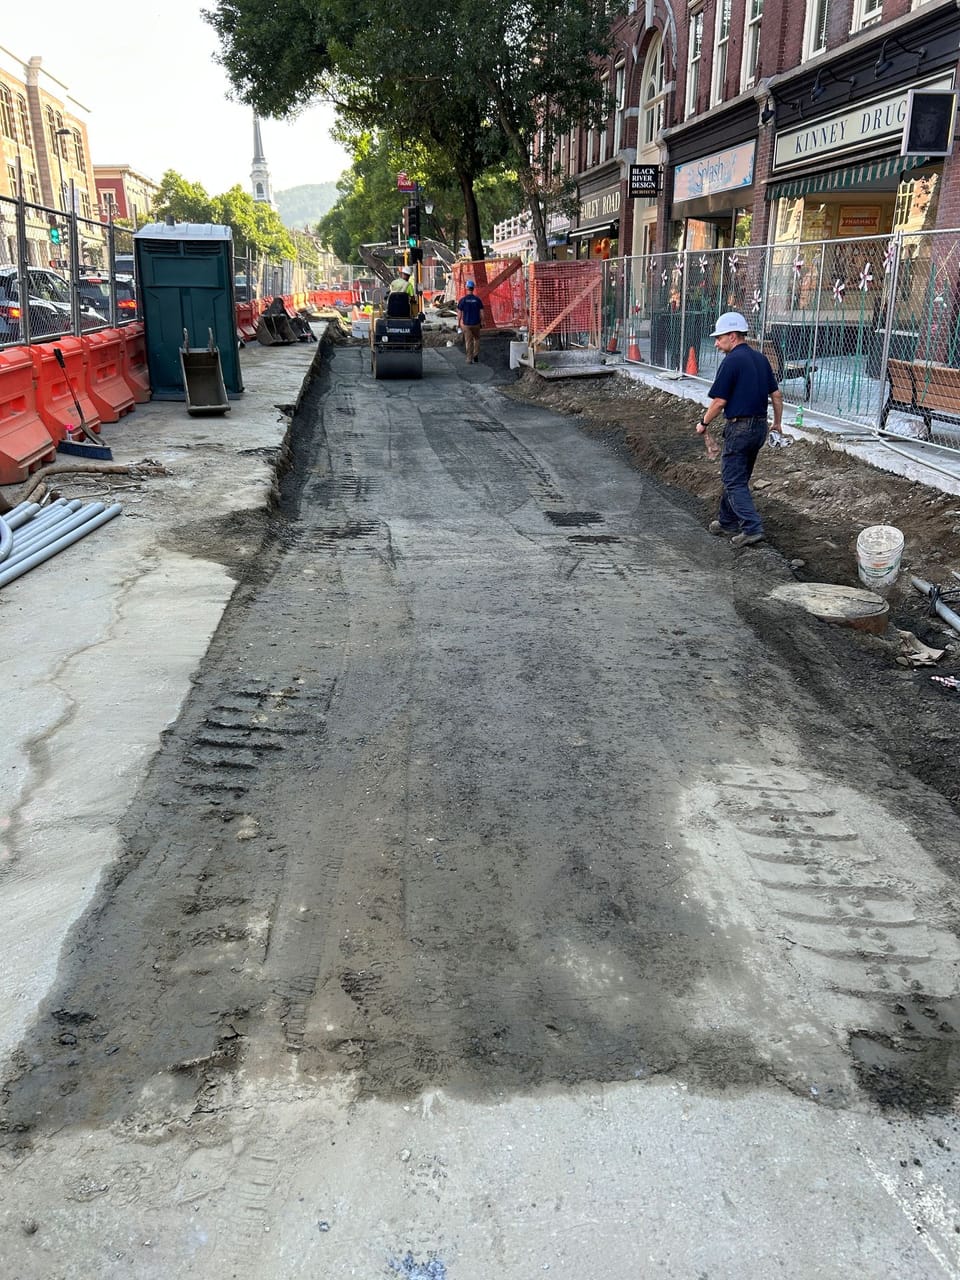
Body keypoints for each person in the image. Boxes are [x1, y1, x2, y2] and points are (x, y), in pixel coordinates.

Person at [696, 311, 783, 547]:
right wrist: (777, 423)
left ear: (732, 336)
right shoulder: (760, 359)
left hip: (740, 428)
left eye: (719, 338)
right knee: (738, 476)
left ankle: (752, 528)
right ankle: (727, 521)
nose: (716, 343)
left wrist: (704, 423)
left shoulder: (732, 361)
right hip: (759, 427)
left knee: (733, 479)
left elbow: (719, 401)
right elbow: (776, 395)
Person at [456, 279, 484, 363]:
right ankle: (476, 355)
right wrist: (482, 322)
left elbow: (459, 314)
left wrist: (458, 324)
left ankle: (469, 359)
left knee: (468, 341)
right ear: (473, 288)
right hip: (476, 323)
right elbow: (482, 313)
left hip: (466, 324)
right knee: (477, 339)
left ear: (467, 288)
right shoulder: (478, 300)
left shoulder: (463, 300)